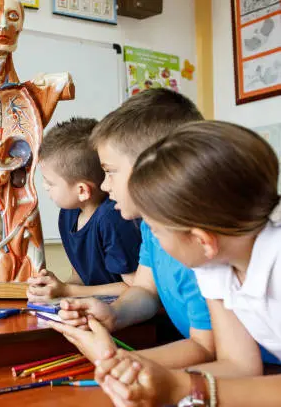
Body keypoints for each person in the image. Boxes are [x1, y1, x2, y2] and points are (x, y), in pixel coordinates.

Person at [93, 121, 281, 407]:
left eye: (155, 230)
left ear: (201, 240)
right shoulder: (215, 263)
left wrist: (183, 387)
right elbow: (240, 366)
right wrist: (145, 375)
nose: (153, 238)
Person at [45, 89, 216, 369]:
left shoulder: (195, 247)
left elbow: (207, 349)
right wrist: (114, 313)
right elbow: (145, 290)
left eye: (110, 171)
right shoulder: (150, 227)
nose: (103, 185)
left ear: (155, 170)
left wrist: (115, 360)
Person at [27, 117, 141, 301]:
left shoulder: (113, 218)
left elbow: (133, 288)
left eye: (50, 182)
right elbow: (80, 278)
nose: (44, 186)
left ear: (82, 190)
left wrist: (67, 291)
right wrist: (54, 288)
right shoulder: (68, 214)